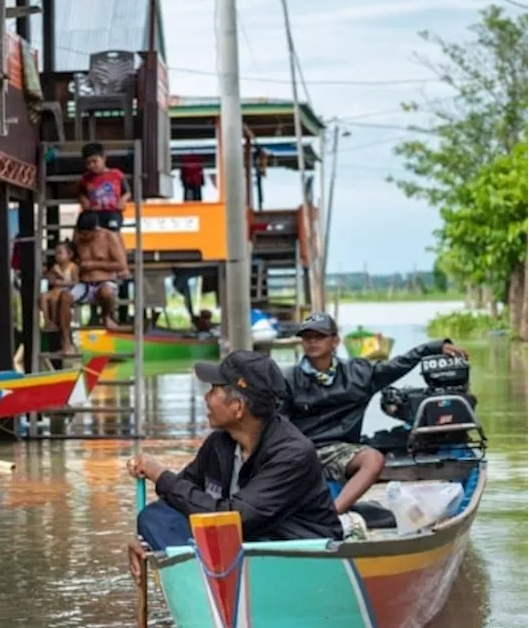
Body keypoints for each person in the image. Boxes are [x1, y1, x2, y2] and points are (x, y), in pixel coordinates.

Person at [126, 350, 342, 577]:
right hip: (243, 546)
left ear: (237, 407)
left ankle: (207, 583)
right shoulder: (220, 443)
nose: (206, 398)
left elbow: (234, 518)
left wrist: (160, 475)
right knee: (155, 517)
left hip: (292, 553)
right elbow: (182, 494)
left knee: (214, 523)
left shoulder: (292, 453)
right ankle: (200, 585)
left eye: (213, 390)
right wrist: (145, 543)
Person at [280, 313, 469, 514]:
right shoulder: (287, 378)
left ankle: (332, 515)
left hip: (341, 451)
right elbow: (278, 424)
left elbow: (398, 365)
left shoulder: (359, 373)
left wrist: (432, 347)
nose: (312, 342)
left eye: (319, 336)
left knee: (373, 459)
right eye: (307, 337)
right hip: (301, 450)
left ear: (335, 340)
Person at [67, 211, 127, 338]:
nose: (83, 237)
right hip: (83, 283)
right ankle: (66, 340)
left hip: (104, 281)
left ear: (95, 230)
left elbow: (121, 265)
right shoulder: (77, 237)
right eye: (81, 233)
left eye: (86, 234)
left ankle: (106, 316)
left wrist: (94, 265)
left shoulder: (109, 237)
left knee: (106, 291)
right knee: (63, 299)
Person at [76, 142, 130, 279]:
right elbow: (81, 194)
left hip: (112, 211)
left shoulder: (116, 174)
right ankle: (104, 264)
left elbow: (127, 192)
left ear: (104, 158)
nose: (92, 166)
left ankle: (123, 266)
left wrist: (122, 200)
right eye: (88, 163)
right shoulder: (85, 179)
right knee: (96, 237)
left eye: (95, 161)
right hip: (95, 213)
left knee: (115, 234)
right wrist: (84, 201)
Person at [38, 241, 78, 330]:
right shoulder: (55, 267)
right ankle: (47, 321)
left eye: (60, 253)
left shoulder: (73, 267)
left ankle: (55, 322)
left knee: (54, 300)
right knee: (43, 296)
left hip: (65, 291)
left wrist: (62, 283)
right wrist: (49, 276)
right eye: (56, 253)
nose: (57, 256)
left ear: (70, 254)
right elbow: (50, 278)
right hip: (55, 290)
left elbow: (76, 282)